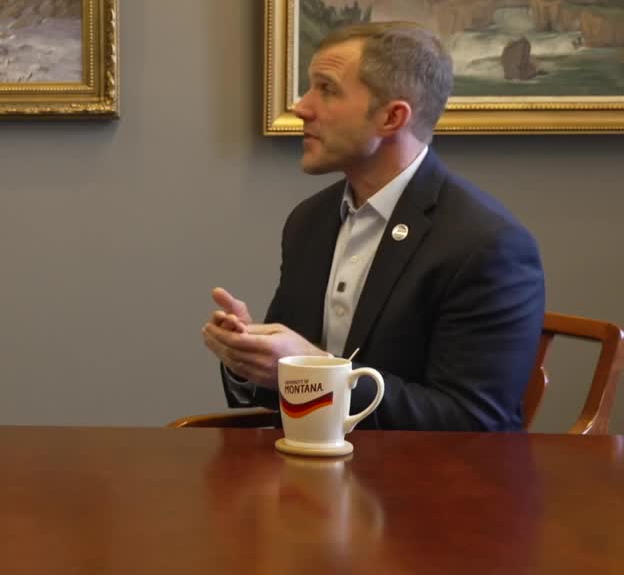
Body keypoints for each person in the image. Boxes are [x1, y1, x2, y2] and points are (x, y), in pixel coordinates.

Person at [202, 22, 544, 431]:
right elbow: (287, 384)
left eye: (326, 89)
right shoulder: (310, 221)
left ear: (391, 117)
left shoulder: (487, 244)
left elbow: (472, 422)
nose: (301, 107)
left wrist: (317, 372)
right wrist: (249, 356)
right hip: (309, 463)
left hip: (427, 472)